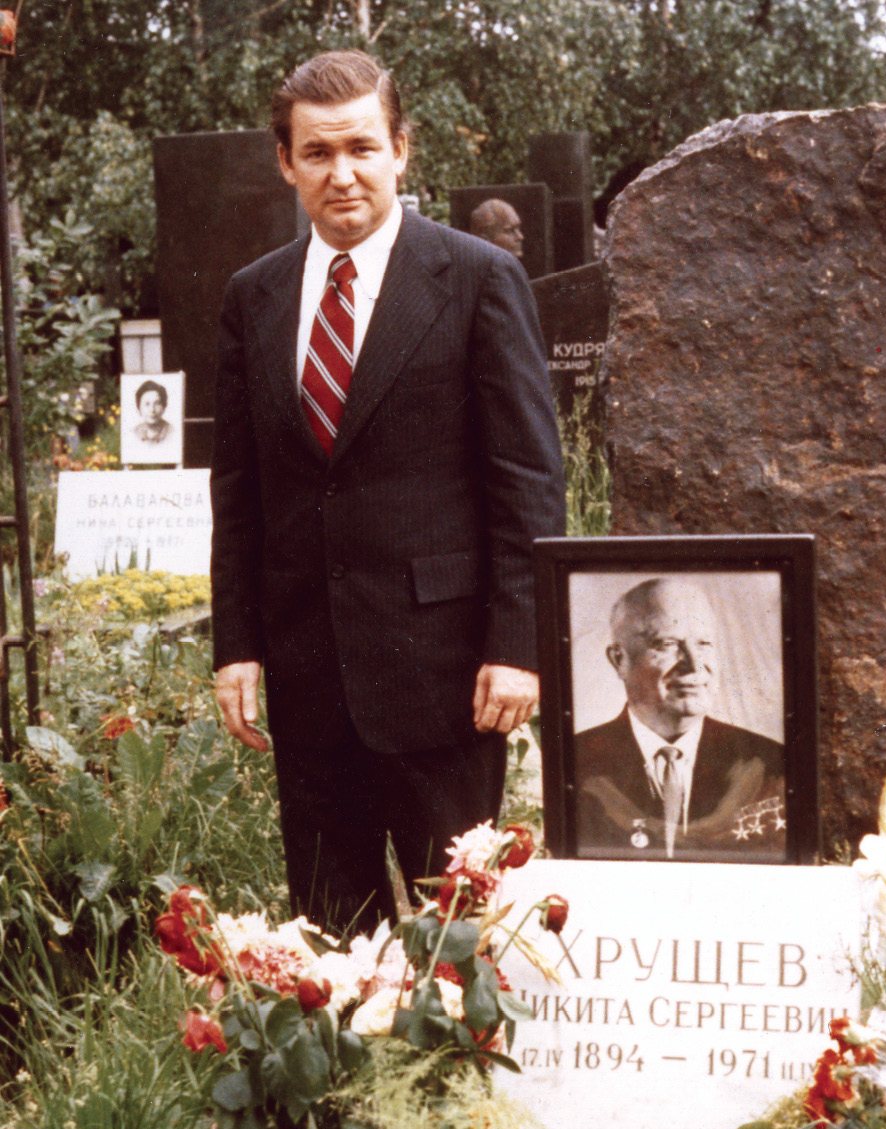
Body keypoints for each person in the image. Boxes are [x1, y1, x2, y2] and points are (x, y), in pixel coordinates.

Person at [211, 50, 565, 930]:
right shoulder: (252, 299)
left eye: (363, 147)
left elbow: (526, 477)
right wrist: (236, 644)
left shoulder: (478, 279)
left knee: (468, 940)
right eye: (319, 153)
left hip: (443, 676)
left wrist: (519, 644)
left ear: (401, 150)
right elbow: (239, 488)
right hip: (307, 676)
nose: (344, 174)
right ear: (286, 163)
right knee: (331, 943)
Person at [574, 578, 785, 858]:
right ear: (619, 659)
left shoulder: (769, 766)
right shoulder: (576, 762)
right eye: (667, 644)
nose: (694, 665)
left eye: (704, 643)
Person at [132, 381, 173, 445]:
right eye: (147, 404)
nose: (152, 410)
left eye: (157, 403)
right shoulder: (134, 433)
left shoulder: (172, 432)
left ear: (164, 407)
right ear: (139, 408)